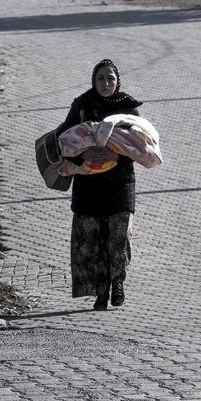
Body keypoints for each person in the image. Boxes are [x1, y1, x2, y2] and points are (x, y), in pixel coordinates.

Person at [57, 59, 142, 311]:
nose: (106, 84)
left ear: (117, 81)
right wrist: (82, 156)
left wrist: (118, 155)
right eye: (101, 79)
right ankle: (100, 292)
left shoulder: (128, 108)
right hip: (88, 185)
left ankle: (117, 283)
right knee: (91, 240)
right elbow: (62, 138)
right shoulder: (82, 105)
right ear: (94, 81)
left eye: (110, 79)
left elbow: (141, 145)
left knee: (118, 236)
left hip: (120, 184)